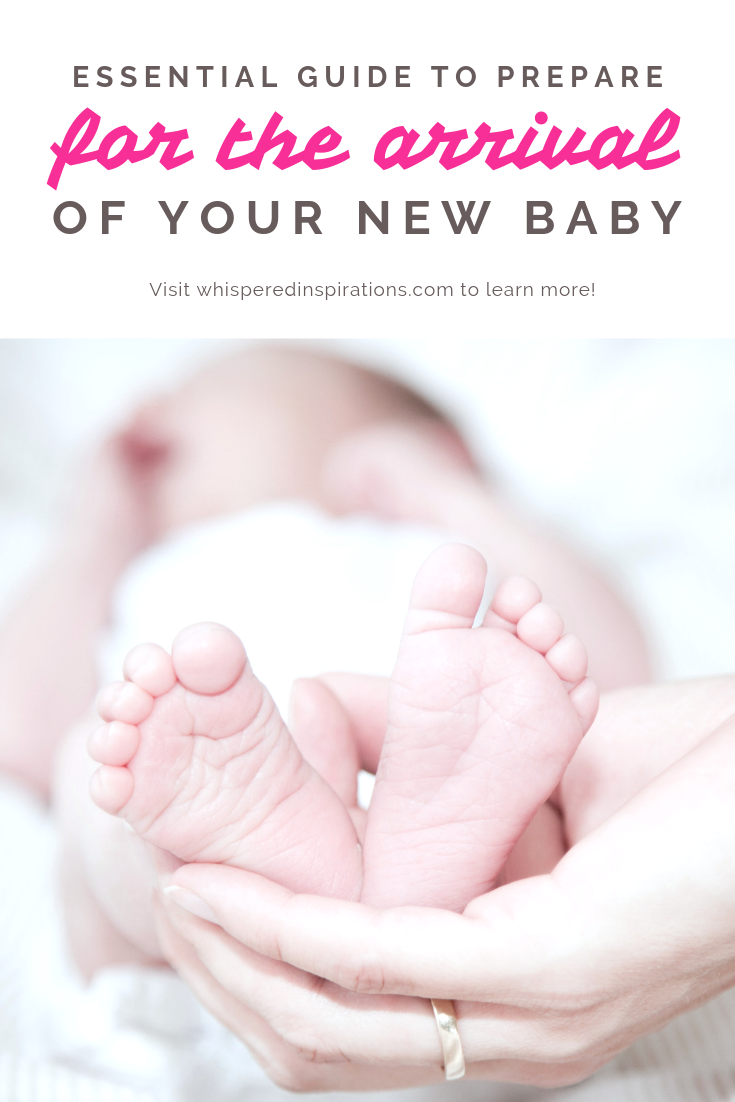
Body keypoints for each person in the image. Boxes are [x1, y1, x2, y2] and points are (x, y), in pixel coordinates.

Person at [0, 346, 655, 1094]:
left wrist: (450, 493)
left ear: (428, 443)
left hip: (481, 999)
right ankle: (305, 871)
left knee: (559, 790)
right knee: (99, 774)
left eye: (209, 391)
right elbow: (18, 732)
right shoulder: (144, 564)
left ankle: (398, 872)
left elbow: (618, 680)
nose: (153, 419)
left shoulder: (443, 548)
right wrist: (98, 528)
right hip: (196, 987)